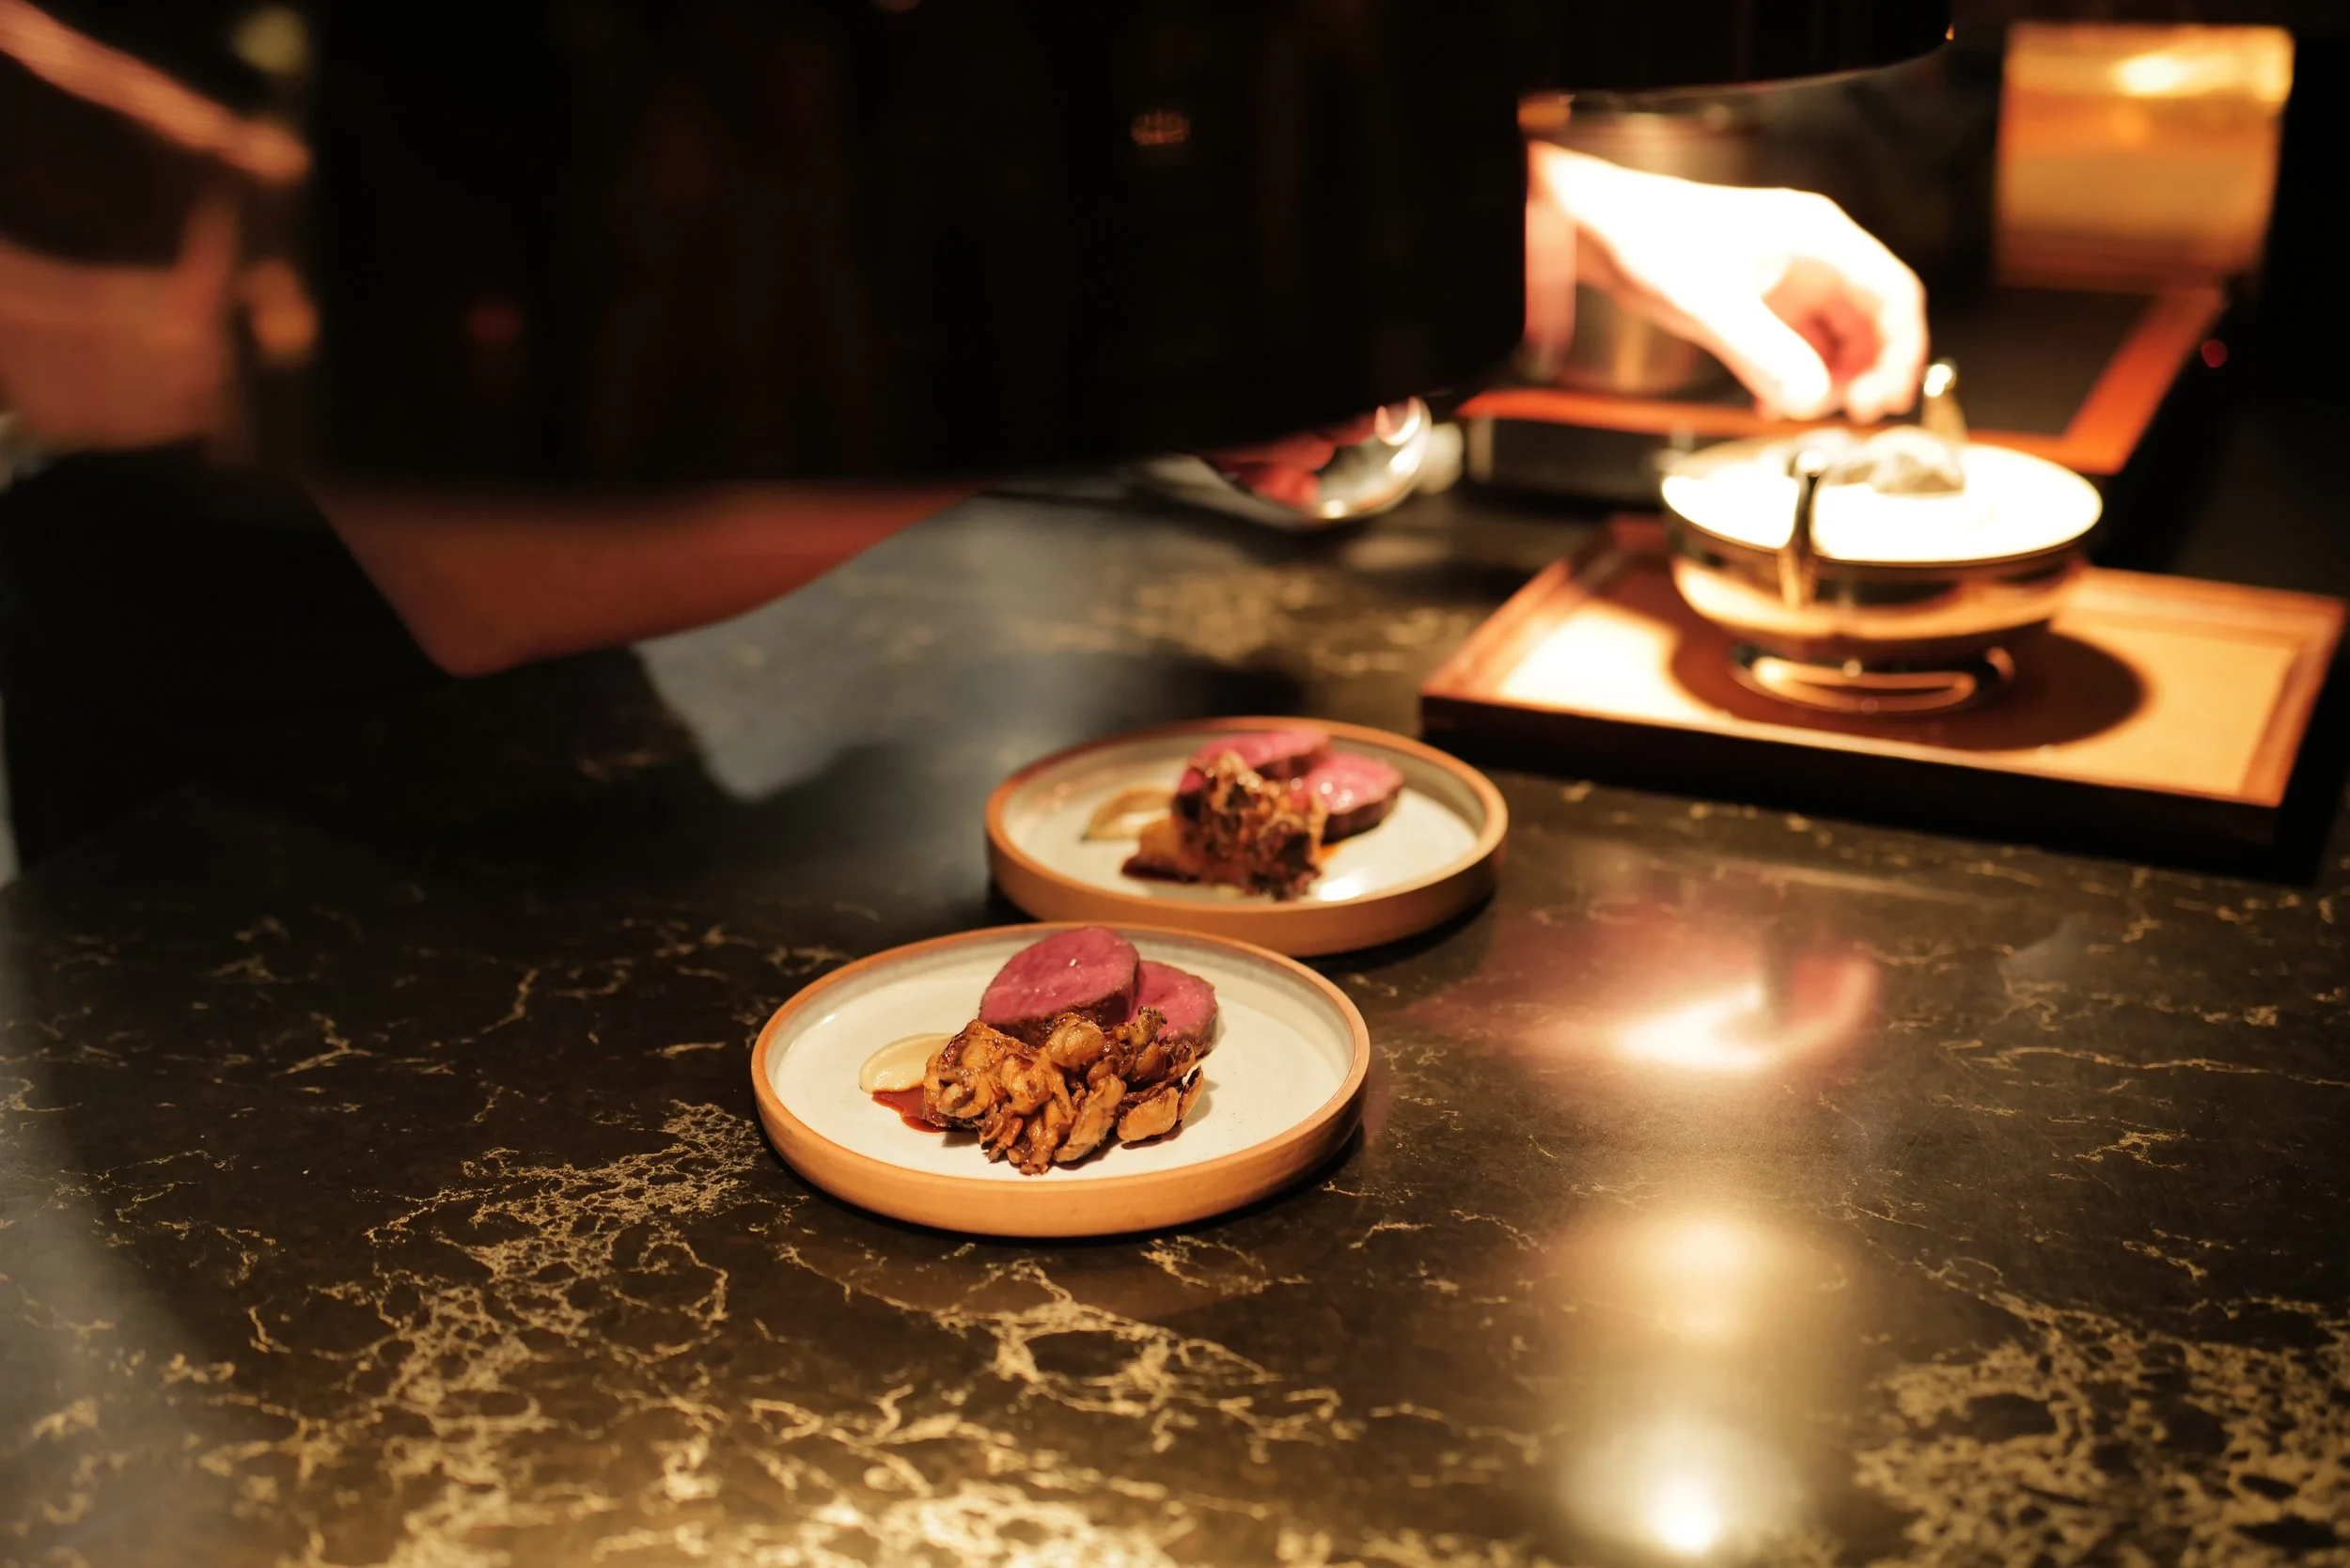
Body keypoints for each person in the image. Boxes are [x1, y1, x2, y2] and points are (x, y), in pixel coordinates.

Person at [0, 5, 1925, 865]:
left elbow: (911, 135)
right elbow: (482, 567)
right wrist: (1187, 369)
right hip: (230, 808)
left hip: (589, 755)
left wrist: (1576, 200)